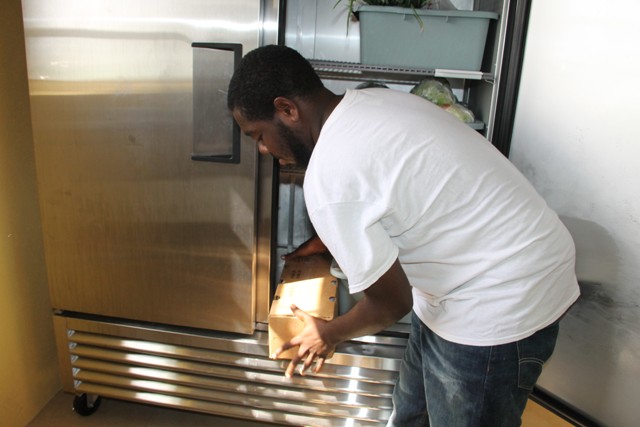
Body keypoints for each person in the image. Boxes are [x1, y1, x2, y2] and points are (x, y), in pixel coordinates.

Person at [227, 44, 580, 427]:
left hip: (498, 299)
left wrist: (328, 334)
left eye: (258, 135)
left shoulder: (329, 174)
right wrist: (328, 240)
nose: (262, 149)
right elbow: (396, 191)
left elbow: (390, 304)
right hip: (493, 269)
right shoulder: (372, 102)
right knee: (411, 413)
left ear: (287, 109)